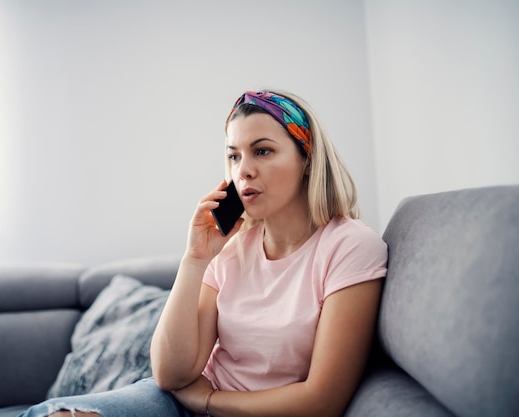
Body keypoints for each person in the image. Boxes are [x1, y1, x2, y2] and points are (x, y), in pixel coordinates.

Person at [19, 90, 388, 417]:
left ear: (306, 158)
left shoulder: (350, 246)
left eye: (262, 151)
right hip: (179, 404)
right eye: (234, 156)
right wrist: (195, 260)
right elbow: (170, 373)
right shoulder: (233, 247)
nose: (243, 170)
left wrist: (210, 402)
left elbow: (322, 401)